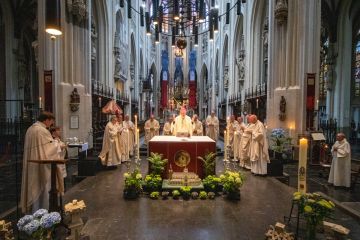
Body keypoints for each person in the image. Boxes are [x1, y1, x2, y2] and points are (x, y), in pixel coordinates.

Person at [20, 111, 61, 213]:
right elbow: (49, 148)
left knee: (33, 185)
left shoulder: (30, 129)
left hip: (31, 164)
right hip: (41, 166)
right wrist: (57, 143)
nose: (51, 125)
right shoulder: (42, 131)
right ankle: (42, 214)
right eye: (51, 122)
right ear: (46, 120)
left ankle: (34, 212)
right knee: (42, 189)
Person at [50, 126, 67, 195]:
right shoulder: (51, 140)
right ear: (53, 132)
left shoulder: (58, 139)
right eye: (58, 130)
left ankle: (63, 192)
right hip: (56, 163)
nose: (60, 132)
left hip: (61, 161)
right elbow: (52, 150)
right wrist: (61, 147)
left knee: (62, 179)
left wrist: (63, 147)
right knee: (58, 180)